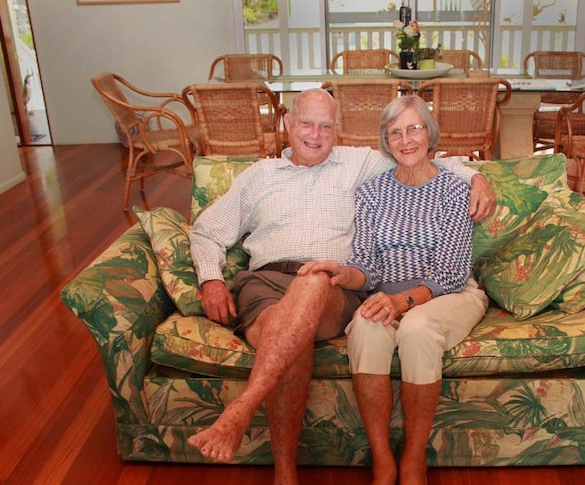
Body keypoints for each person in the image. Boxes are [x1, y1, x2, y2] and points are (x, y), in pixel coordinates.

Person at [187, 87, 496, 483]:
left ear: (338, 130)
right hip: (264, 283)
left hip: (332, 286)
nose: (315, 135)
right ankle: (286, 475)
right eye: (306, 124)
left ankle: (240, 412)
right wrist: (211, 280)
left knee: (313, 283)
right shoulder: (258, 176)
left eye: (326, 127)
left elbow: (423, 156)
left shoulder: (359, 164)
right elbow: (206, 232)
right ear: (287, 123)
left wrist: (479, 177)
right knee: (289, 335)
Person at [298, 96, 488, 485]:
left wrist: (404, 301)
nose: (406, 139)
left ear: (430, 134)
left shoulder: (454, 189)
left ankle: (414, 457)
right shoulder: (370, 192)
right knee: (366, 328)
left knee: (417, 330)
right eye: (395, 132)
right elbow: (367, 266)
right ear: (386, 140)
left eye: (414, 128)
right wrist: (344, 274)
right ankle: (382, 458)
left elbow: (451, 272)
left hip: (447, 294)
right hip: (386, 294)